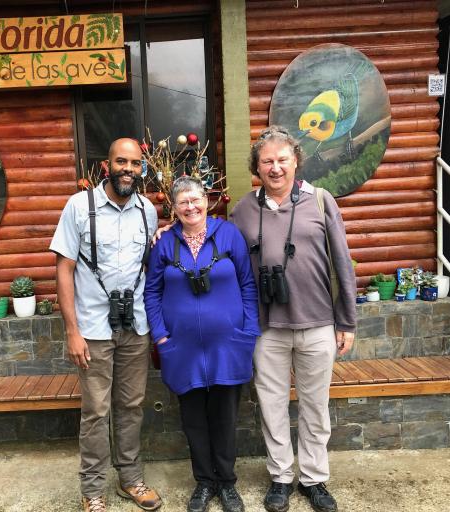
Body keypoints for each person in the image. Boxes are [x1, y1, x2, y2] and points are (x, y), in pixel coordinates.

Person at [230, 126, 356, 512]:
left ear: (296, 159)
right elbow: (226, 261)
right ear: (257, 166)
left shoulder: (320, 201)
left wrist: (346, 321)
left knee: (315, 407)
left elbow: (342, 262)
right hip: (266, 328)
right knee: (271, 406)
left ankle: (314, 479)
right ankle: (281, 477)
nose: (275, 167)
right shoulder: (243, 209)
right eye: (267, 161)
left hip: (318, 322)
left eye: (282, 159)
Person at [50, 138, 162, 512]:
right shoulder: (79, 206)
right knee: (96, 411)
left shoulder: (147, 210)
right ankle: (92, 489)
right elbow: (63, 269)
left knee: (131, 406)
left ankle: (130, 480)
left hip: (135, 326)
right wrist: (72, 330)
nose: (128, 168)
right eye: (121, 161)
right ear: (106, 165)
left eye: (135, 163)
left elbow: (149, 267)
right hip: (93, 330)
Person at [144, 176, 260, 512]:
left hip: (229, 345)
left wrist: (247, 332)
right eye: (183, 202)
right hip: (182, 349)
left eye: (196, 199)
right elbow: (152, 292)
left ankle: (226, 483)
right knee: (193, 419)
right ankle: (204, 483)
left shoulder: (228, 235)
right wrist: (161, 336)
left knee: (224, 418)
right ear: (174, 208)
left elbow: (247, 285)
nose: (191, 206)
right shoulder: (165, 244)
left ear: (206, 200)